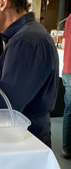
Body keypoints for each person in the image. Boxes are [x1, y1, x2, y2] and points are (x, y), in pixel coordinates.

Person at [0, 0, 59, 148]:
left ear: (3, 3)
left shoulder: (26, 40)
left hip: (29, 139)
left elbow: (7, 106)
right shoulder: (25, 34)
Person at [61, 13, 71, 159]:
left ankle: (66, 149)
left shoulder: (69, 17)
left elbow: (63, 44)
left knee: (69, 110)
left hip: (67, 71)